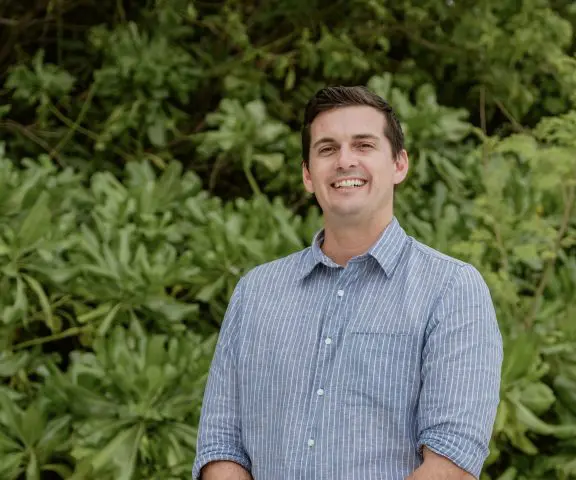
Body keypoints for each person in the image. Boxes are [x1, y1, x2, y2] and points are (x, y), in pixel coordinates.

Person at [193, 85, 503, 480]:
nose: (344, 161)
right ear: (308, 175)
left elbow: (451, 462)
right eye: (327, 149)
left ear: (399, 165)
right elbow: (221, 446)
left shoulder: (451, 290)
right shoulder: (255, 292)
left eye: (363, 145)